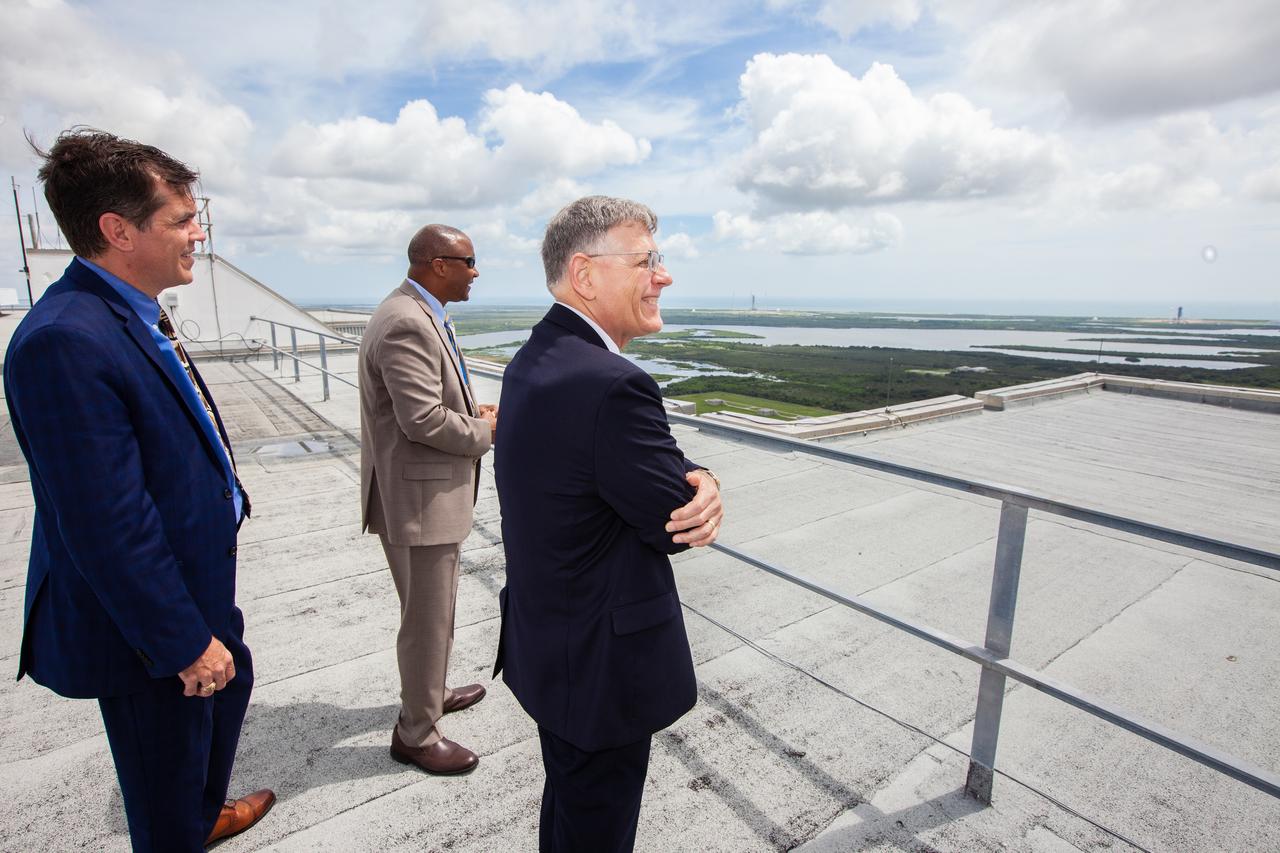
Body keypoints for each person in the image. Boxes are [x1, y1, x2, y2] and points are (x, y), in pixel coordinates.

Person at [3, 128, 273, 851]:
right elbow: (104, 522)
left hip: (196, 587)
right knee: (163, 781)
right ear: (117, 230)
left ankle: (199, 811)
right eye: (180, 219)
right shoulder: (64, 340)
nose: (198, 231)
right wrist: (184, 642)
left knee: (223, 701)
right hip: (147, 633)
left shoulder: (129, 309)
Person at [493, 195, 724, 852]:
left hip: (554, 645)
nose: (664, 275)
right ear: (587, 275)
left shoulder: (539, 358)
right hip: (600, 668)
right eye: (648, 261)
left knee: (570, 807)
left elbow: (618, 463)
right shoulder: (612, 384)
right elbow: (668, 518)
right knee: (595, 826)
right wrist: (702, 482)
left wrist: (694, 469)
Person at [359, 224, 498, 775]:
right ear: (437, 264)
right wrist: (489, 431)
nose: (475, 271)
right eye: (467, 261)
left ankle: (431, 692)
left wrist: (472, 414)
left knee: (431, 613)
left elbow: (428, 401)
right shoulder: (405, 323)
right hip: (419, 503)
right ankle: (416, 732)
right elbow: (421, 420)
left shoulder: (420, 313)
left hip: (420, 495)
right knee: (427, 619)